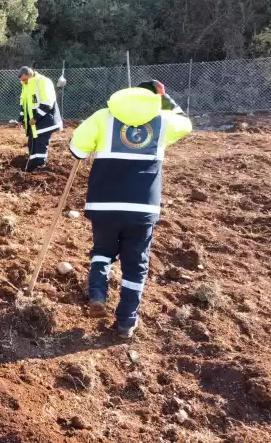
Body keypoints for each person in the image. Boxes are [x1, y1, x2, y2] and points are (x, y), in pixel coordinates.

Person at [69, 82, 192, 338]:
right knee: (136, 265)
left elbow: (76, 149)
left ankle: (98, 294)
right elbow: (186, 123)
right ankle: (126, 322)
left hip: (104, 204)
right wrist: (165, 99)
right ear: (155, 99)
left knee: (102, 252)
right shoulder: (163, 121)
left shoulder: (103, 117)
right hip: (142, 207)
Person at [17, 66, 63, 171]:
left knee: (40, 143)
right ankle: (33, 165)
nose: (23, 82)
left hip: (46, 120)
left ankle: (40, 167)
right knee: (32, 143)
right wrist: (21, 118)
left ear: (31, 74)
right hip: (35, 123)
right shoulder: (26, 85)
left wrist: (35, 118)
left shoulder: (43, 82)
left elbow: (47, 104)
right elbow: (24, 103)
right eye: (21, 81)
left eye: (24, 80)